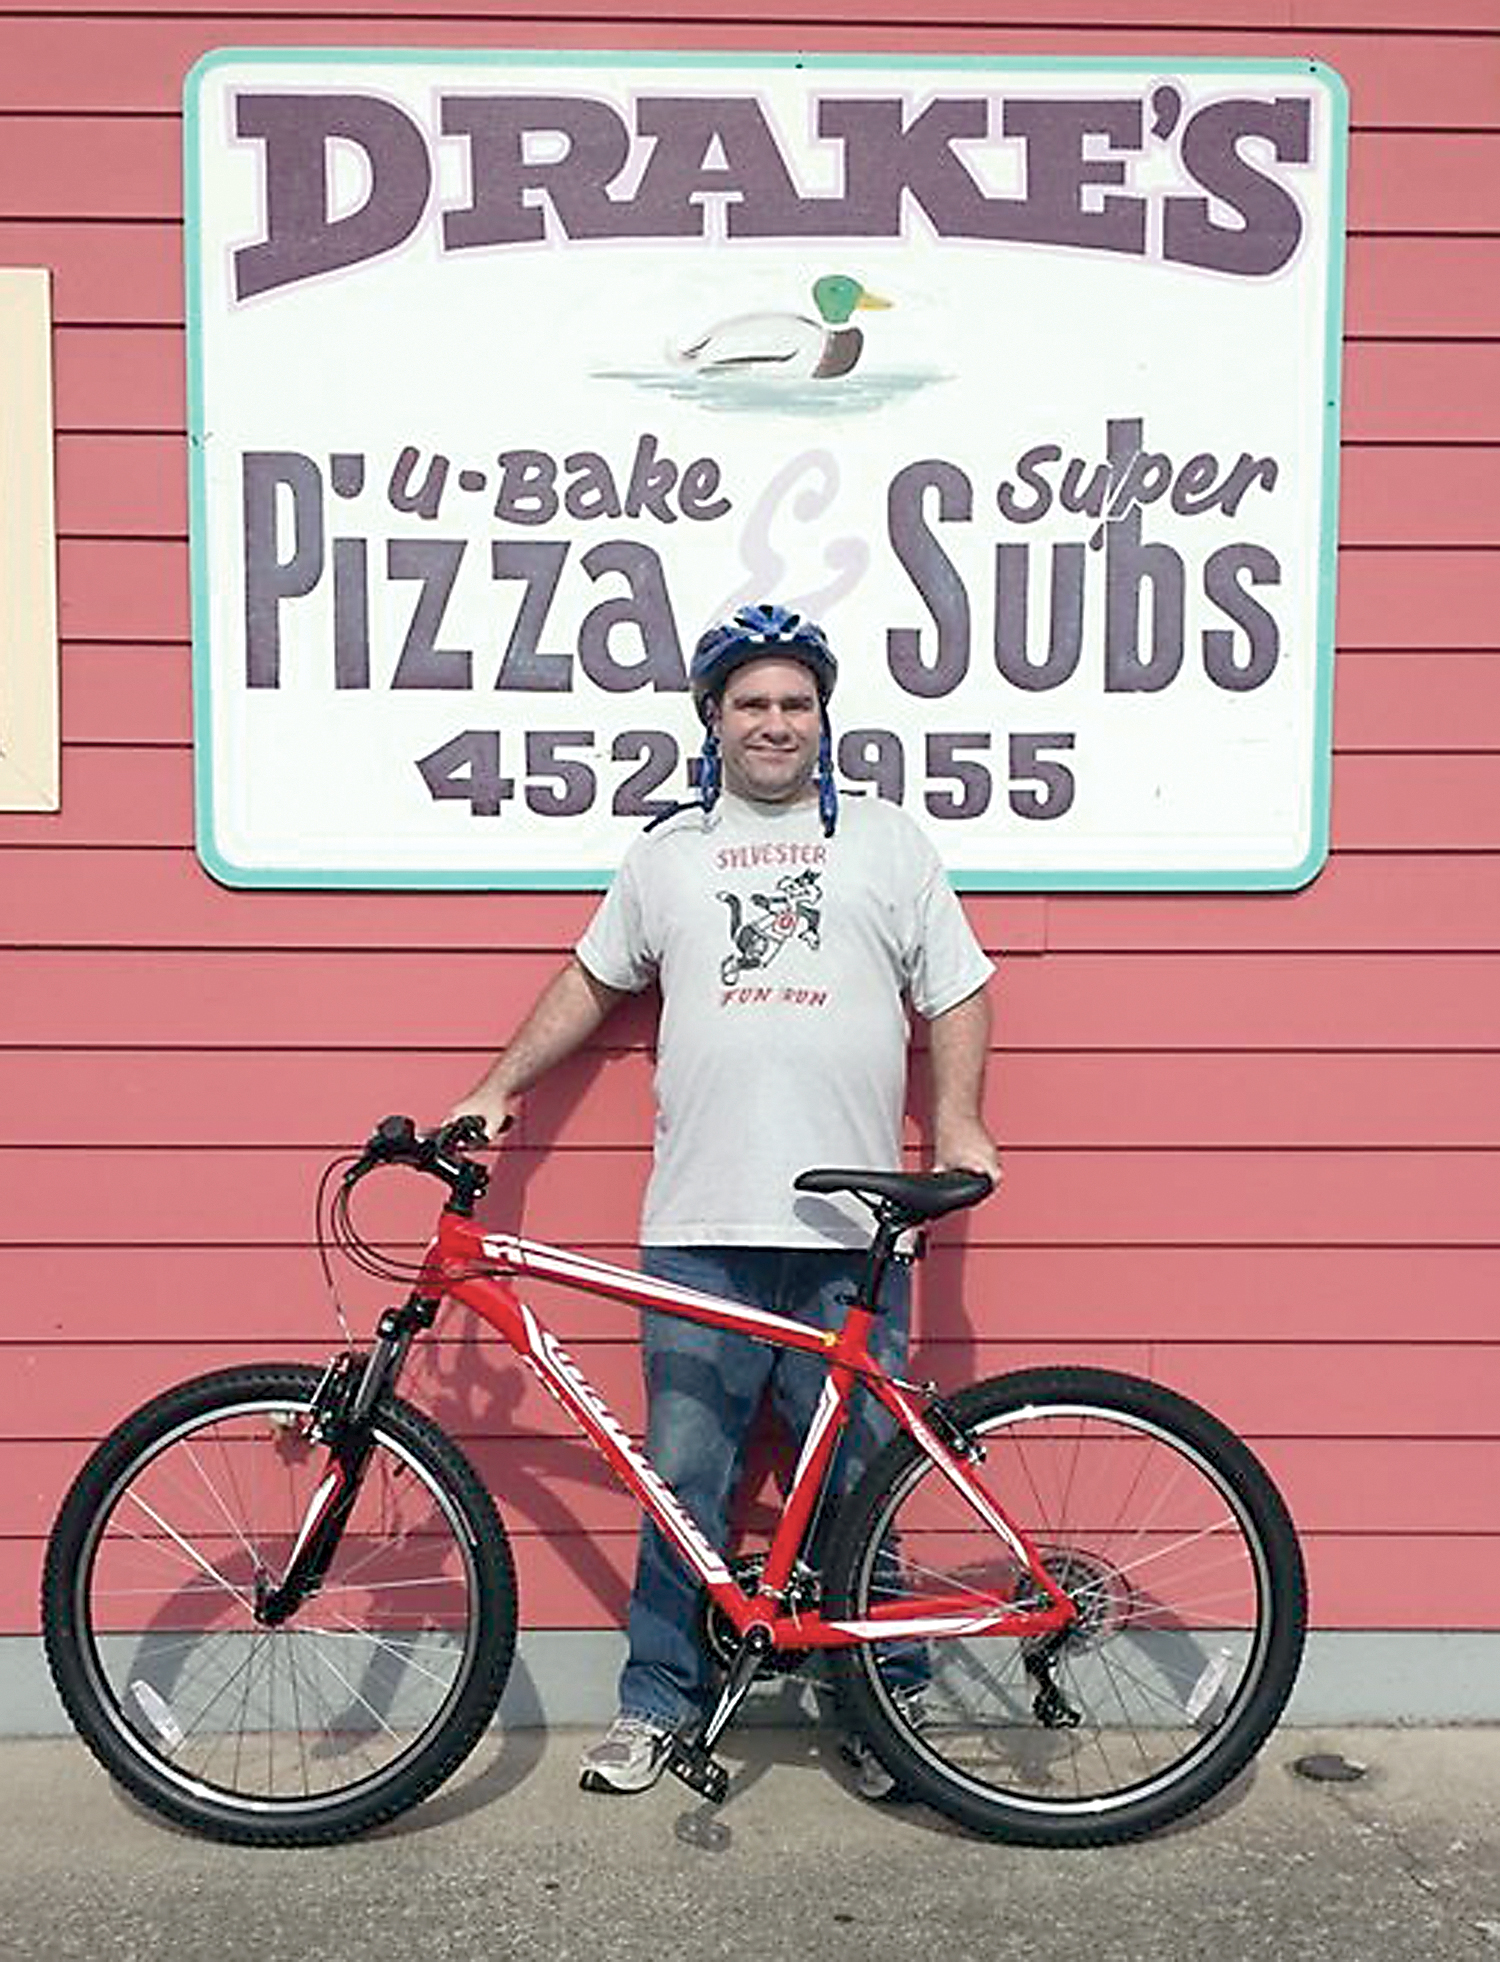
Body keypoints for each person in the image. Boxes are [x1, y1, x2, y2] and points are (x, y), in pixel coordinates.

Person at [447, 602, 1000, 1797]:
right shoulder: (669, 854)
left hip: (851, 1234)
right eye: (751, 702)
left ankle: (883, 1707)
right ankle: (658, 1703)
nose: (775, 723)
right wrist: (496, 1089)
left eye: (796, 703)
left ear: (823, 720)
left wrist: (956, 1120)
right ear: (712, 717)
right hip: (700, 1226)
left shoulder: (892, 846)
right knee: (680, 1478)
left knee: (865, 1483)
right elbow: (591, 982)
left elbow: (957, 990)